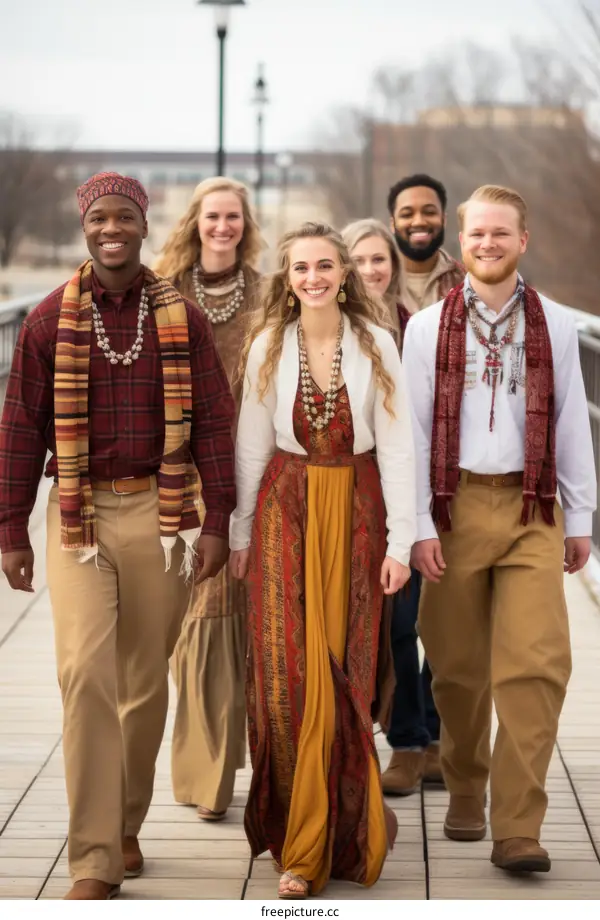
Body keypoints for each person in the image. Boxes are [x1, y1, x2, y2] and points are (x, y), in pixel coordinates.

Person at [0, 173, 236, 900]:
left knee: (142, 683)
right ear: (85, 226)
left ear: (142, 225)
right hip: (79, 516)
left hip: (163, 517)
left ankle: (127, 822)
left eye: (124, 217)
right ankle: (94, 858)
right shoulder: (46, 321)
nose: (111, 228)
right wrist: (12, 529)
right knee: (84, 677)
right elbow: (16, 430)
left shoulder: (183, 318)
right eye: (99, 217)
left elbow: (216, 425)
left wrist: (218, 522)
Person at [403, 184, 596, 874]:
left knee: (536, 664)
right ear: (463, 242)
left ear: (524, 240)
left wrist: (580, 517)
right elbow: (414, 434)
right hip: (453, 511)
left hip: (530, 509)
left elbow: (572, 420)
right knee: (455, 670)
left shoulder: (556, 325)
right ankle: (465, 782)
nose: (488, 244)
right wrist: (419, 525)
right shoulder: (424, 330)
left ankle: (518, 826)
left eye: (501, 233)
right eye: (477, 233)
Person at [228, 221, 416, 898]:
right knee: (292, 673)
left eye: (325, 266)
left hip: (357, 513)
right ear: (287, 276)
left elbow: (398, 448)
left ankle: (348, 824)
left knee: (347, 674)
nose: (313, 277)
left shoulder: (378, 344)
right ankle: (302, 847)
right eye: (301, 267)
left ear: (344, 272)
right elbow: (251, 444)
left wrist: (402, 544)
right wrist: (240, 533)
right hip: (286, 510)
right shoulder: (267, 347)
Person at [155, 177, 261, 822]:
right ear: (196, 221)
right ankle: (206, 764)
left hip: (245, 467)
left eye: (234, 217)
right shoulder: (163, 290)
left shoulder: (269, 293)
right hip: (174, 471)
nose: (223, 226)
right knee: (185, 617)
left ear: (246, 225)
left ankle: (212, 777)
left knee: (223, 611)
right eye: (213, 215)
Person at [342, 217, 445, 794]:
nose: (371, 270)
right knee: (397, 623)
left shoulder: (419, 328)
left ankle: (431, 732)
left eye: (380, 259)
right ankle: (406, 738)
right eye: (358, 260)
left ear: (395, 266)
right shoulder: (334, 330)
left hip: (422, 489)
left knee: (435, 621)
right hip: (362, 494)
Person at [388, 173, 464, 315]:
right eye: (407, 214)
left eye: (429, 212)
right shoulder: (375, 281)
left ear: (444, 219)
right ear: (392, 224)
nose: (419, 222)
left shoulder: (466, 283)